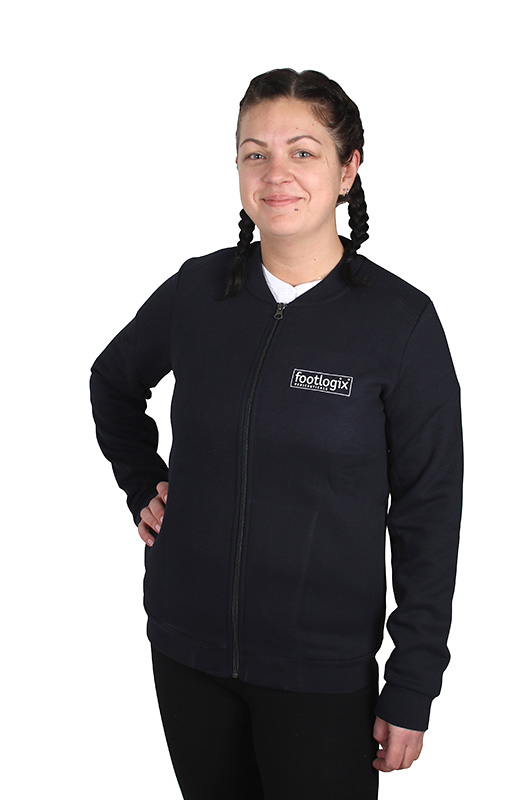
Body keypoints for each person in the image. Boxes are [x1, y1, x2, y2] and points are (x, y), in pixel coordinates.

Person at [90, 68, 463, 800]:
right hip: (187, 652)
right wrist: (141, 482)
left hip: (320, 673)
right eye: (254, 153)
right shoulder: (198, 292)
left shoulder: (401, 323)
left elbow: (429, 510)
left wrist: (413, 681)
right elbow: (113, 381)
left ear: (348, 170)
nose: (275, 173)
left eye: (303, 151)